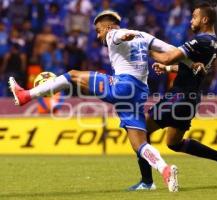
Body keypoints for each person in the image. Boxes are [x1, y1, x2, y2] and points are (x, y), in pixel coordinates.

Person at [9, 10, 179, 192]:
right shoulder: (145, 36)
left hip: (123, 85)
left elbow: (118, 34)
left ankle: (26, 95)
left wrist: (124, 34)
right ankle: (163, 171)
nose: (99, 36)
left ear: (107, 27)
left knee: (73, 75)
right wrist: (191, 60)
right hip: (140, 92)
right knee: (139, 144)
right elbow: (173, 50)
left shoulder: (114, 33)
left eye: (99, 31)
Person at [129, 3, 217, 191]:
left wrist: (143, 46)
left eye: (194, 17)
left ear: (204, 19)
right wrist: (167, 69)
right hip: (190, 99)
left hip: (179, 96)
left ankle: (147, 182)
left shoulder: (201, 41)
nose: (191, 20)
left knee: (142, 131)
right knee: (173, 143)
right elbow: (193, 68)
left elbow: (167, 57)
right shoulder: (214, 42)